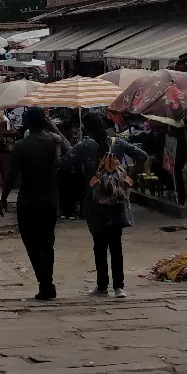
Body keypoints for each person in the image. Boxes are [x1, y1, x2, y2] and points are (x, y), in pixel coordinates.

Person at [69, 113, 146, 299]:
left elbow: (66, 163)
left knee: (99, 244)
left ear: (86, 128)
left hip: (95, 202)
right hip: (117, 199)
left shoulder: (84, 146)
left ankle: (102, 286)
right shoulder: (117, 143)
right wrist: (129, 179)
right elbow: (142, 156)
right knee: (116, 244)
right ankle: (119, 287)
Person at [0, 106, 68, 302]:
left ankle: (45, 283)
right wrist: (54, 129)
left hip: (29, 200)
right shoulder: (54, 142)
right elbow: (68, 153)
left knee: (31, 243)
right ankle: (47, 283)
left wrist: (3, 198)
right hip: (50, 199)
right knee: (48, 243)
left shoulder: (21, 146)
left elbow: (11, 176)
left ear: (27, 122)